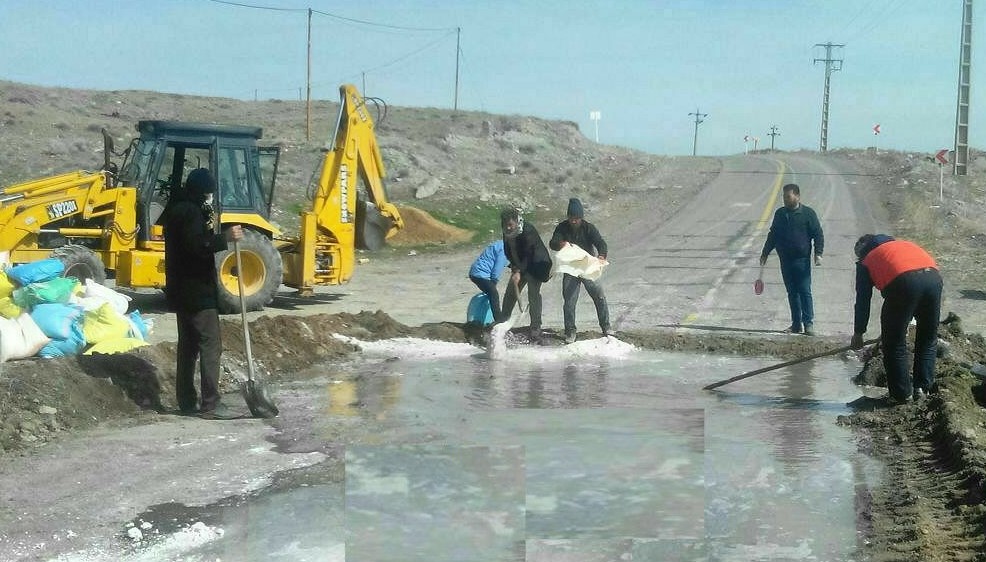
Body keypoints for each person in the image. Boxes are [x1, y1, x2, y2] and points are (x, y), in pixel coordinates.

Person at [163, 168, 244, 419]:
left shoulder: (175, 209)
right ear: (201, 191)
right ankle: (211, 403)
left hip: (180, 290)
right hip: (197, 290)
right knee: (210, 345)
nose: (210, 197)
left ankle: (187, 400)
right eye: (208, 192)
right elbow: (197, 246)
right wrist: (225, 238)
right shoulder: (189, 212)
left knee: (188, 346)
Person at [850, 234, 942, 404]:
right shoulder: (902, 244)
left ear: (863, 251)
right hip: (933, 279)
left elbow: (863, 299)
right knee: (928, 338)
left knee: (893, 343)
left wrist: (858, 333)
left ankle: (901, 395)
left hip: (904, 282)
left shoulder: (867, 259)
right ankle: (922, 389)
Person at [759, 183, 824, 335]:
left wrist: (818, 253)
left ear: (797, 196)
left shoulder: (808, 214)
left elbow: (818, 234)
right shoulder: (780, 214)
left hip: (802, 260)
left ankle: (808, 324)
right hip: (785, 260)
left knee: (804, 291)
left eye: (788, 196)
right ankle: (796, 324)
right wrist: (765, 253)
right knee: (792, 292)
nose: (785, 200)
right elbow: (773, 235)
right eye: (784, 197)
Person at [549, 197, 610, 344]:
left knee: (599, 296)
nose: (574, 221)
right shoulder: (562, 228)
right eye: (571, 218)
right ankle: (570, 331)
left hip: (587, 267)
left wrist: (601, 256)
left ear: (581, 217)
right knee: (569, 301)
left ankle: (606, 326)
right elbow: (553, 243)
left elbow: (601, 243)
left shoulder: (589, 228)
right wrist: (560, 243)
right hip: (570, 269)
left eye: (576, 218)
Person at [499, 207, 553, 344]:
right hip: (520, 266)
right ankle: (502, 323)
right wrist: (514, 267)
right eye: (506, 225)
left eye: (510, 225)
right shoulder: (506, 232)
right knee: (510, 293)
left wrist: (519, 271)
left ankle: (536, 328)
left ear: (517, 222)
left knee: (533, 294)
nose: (508, 228)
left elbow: (529, 254)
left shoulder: (527, 230)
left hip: (536, 265)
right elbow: (508, 250)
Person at [468, 239, 508, 323]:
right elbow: (498, 267)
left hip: (476, 272)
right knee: (493, 294)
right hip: (480, 274)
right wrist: (494, 280)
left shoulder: (500, 244)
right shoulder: (505, 249)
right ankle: (498, 319)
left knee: (491, 294)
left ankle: (488, 318)